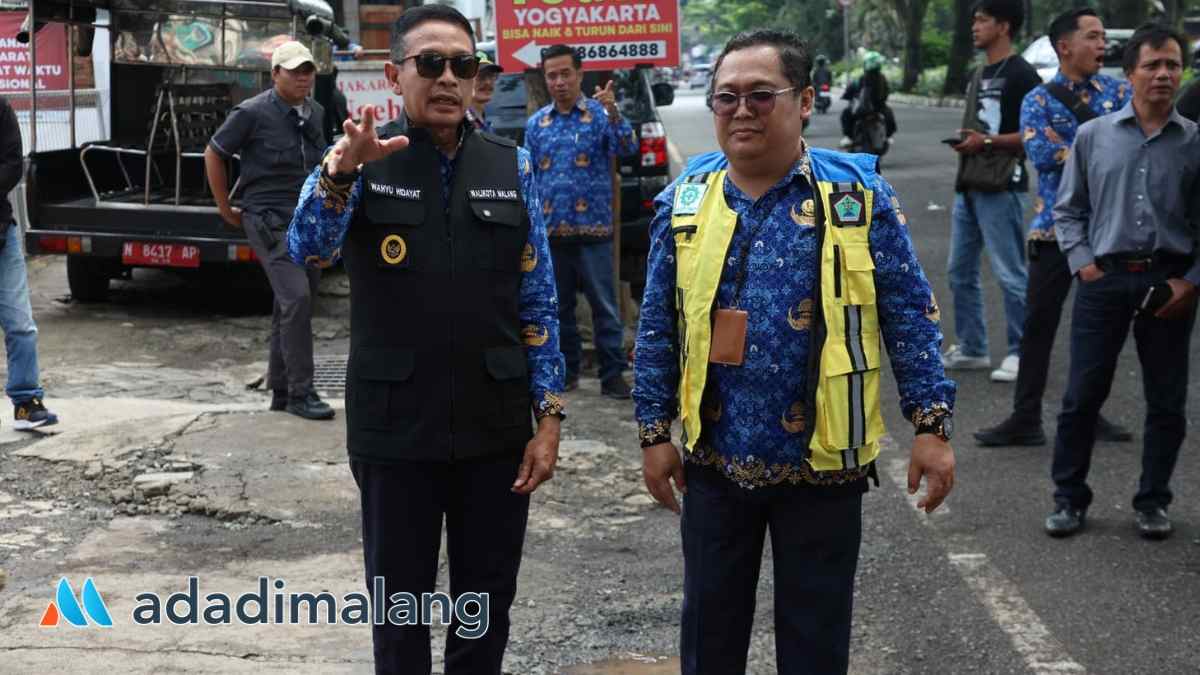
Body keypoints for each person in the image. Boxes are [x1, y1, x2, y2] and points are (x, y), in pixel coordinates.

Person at [634, 30, 956, 674]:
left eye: (761, 95)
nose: (741, 111)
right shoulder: (685, 200)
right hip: (714, 461)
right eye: (726, 97)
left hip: (823, 468)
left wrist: (931, 426)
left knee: (815, 642)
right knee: (709, 634)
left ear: (804, 100)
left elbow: (909, 314)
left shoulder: (857, 197)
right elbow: (658, 326)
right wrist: (652, 433)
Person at [288, 5, 565, 671]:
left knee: (484, 608)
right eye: (431, 63)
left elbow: (539, 298)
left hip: (494, 427)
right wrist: (340, 174)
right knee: (399, 612)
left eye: (462, 65)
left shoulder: (513, 165)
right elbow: (307, 248)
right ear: (395, 75)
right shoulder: (360, 157)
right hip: (395, 429)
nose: (447, 78)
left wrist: (550, 417)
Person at [1046, 24, 1200, 540]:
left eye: (1172, 65)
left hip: (1169, 283)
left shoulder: (1194, 142)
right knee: (1082, 396)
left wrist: (1191, 282)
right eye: (1152, 65)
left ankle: (1153, 501)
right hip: (1104, 280)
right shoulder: (1094, 136)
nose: (1163, 74)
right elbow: (1068, 210)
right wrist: (1083, 264)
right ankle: (1068, 498)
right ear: (1130, 73)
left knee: (1167, 402)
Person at [974, 8, 1133, 447]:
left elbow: (1132, 151)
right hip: (1054, 231)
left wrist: (1088, 151)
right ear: (1065, 46)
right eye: (1093, 36)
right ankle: (1025, 418)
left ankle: (1088, 411)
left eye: (1103, 37)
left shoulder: (1120, 92)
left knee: (1099, 330)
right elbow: (1044, 156)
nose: (1102, 45)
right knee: (1038, 328)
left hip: (1110, 233)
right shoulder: (1038, 100)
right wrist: (1105, 149)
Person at [205, 41, 333, 421]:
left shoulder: (316, 112)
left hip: (306, 219)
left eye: (308, 70)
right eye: (294, 71)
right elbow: (215, 153)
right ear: (275, 74)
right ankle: (301, 392)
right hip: (267, 218)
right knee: (297, 298)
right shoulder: (252, 112)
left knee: (290, 303)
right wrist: (224, 206)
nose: (303, 78)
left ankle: (281, 389)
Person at [524, 44, 639, 398]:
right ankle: (567, 371)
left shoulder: (600, 116)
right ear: (545, 79)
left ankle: (612, 375)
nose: (559, 82)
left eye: (565, 74)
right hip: (550, 234)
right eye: (552, 76)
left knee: (605, 308)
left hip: (595, 232)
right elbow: (528, 177)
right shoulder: (536, 124)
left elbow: (628, 148)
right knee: (558, 310)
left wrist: (614, 112)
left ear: (579, 74)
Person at [943, 0, 1041, 381]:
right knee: (959, 271)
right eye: (974, 20)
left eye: (982, 20)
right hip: (969, 182)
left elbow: (1034, 134)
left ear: (1004, 26)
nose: (974, 26)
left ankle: (1022, 351)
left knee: (1010, 272)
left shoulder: (1022, 75)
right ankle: (973, 347)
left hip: (1002, 185)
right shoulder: (979, 72)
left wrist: (985, 142)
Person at [0, 95, 58, 431]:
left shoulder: (1, 109)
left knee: (20, 324)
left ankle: (26, 403)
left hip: (1, 235)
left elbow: (12, 165)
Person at [839, 51, 896, 146]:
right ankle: (888, 136)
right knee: (889, 115)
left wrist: (846, 96)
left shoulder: (861, 78)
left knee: (846, 113)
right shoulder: (882, 78)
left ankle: (848, 137)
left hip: (862, 109)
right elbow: (886, 93)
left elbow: (850, 91)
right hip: (879, 108)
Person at [465, 51, 502, 133]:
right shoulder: (460, 123)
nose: (488, 82)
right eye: (481, 76)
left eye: (491, 76)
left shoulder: (482, 120)